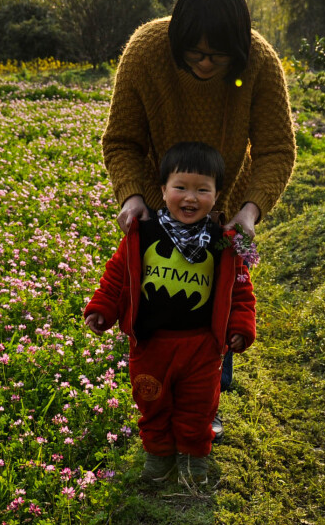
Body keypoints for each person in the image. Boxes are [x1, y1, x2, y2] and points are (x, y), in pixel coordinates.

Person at [101, 0, 296, 439]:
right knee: (157, 299)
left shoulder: (260, 61)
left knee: (215, 300)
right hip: (156, 201)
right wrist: (134, 199)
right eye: (195, 53)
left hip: (224, 204)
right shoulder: (146, 51)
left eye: (218, 54)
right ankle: (155, 396)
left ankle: (205, 399)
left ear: (239, 46)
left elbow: (276, 149)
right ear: (177, 39)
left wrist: (249, 211)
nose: (206, 63)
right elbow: (122, 141)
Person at [84, 142, 256, 485]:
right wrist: (102, 308)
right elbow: (117, 276)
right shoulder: (143, 232)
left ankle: (194, 460)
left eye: (202, 190)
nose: (190, 198)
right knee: (152, 403)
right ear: (162, 190)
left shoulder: (223, 242)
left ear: (218, 194)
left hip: (201, 347)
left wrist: (239, 326)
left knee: (199, 407)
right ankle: (159, 456)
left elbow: (240, 289)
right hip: (151, 344)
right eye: (180, 187)